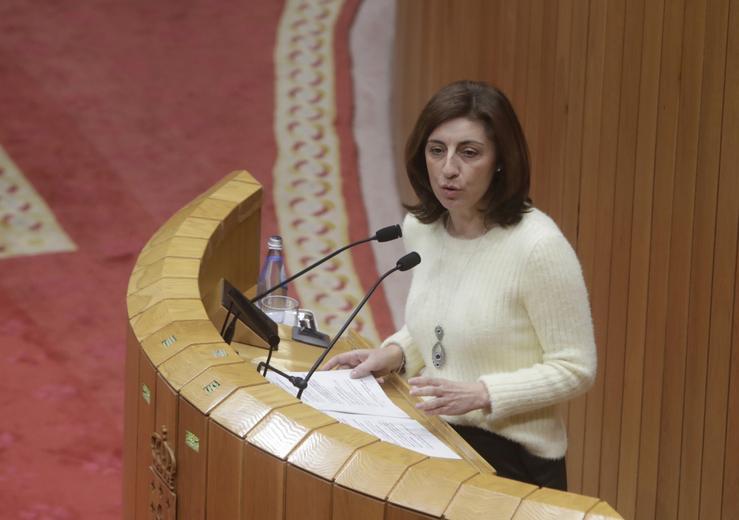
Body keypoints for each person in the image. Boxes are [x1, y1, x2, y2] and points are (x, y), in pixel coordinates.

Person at [323, 80, 596, 491]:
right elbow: (442, 322)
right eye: (437, 150)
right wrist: (396, 352)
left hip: (514, 462)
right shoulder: (423, 229)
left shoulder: (538, 247)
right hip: (439, 437)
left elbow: (576, 368)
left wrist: (483, 393)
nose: (449, 168)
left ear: (500, 160)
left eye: (469, 153)